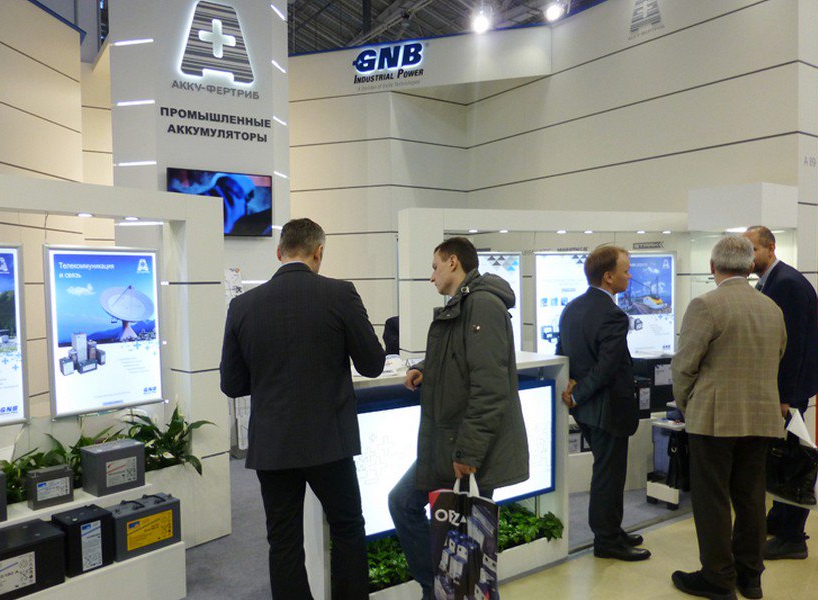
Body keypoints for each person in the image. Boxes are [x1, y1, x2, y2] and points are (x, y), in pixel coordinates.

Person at [220, 218, 385, 600]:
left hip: (273, 445)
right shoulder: (340, 294)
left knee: (283, 541)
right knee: (347, 529)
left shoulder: (242, 306)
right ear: (319, 252)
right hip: (330, 442)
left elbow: (232, 384)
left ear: (279, 252)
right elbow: (373, 364)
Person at [388, 237, 529, 599]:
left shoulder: (482, 305)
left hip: (467, 448)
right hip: (452, 442)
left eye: (435, 266)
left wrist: (468, 451)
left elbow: (490, 387)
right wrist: (426, 368)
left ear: (453, 262)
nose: (431, 275)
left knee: (468, 548)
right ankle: (435, 587)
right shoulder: (466, 302)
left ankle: (434, 588)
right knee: (456, 537)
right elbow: (462, 358)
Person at [670, 234, 786, 600]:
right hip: (761, 416)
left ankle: (718, 577)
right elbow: (779, 355)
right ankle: (750, 577)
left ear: (712, 266)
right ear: (751, 266)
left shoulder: (705, 305)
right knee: (751, 497)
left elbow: (684, 366)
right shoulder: (771, 308)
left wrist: (688, 406)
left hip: (714, 419)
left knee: (713, 499)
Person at [556, 245, 650, 561]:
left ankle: (612, 530)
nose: (629, 276)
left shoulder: (571, 308)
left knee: (606, 473)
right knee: (609, 476)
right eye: (625, 270)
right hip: (607, 408)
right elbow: (607, 366)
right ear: (608, 277)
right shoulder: (613, 314)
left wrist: (574, 389)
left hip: (586, 410)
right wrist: (578, 392)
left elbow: (562, 353)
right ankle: (607, 540)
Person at [744, 225, 818, 560]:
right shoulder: (774, 281)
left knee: (794, 459)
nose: (749, 257)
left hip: (790, 390)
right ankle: (780, 519)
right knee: (782, 455)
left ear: (771, 248)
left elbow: (791, 347)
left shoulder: (787, 284)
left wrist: (785, 397)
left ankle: (793, 536)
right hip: (787, 388)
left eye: (753, 249)